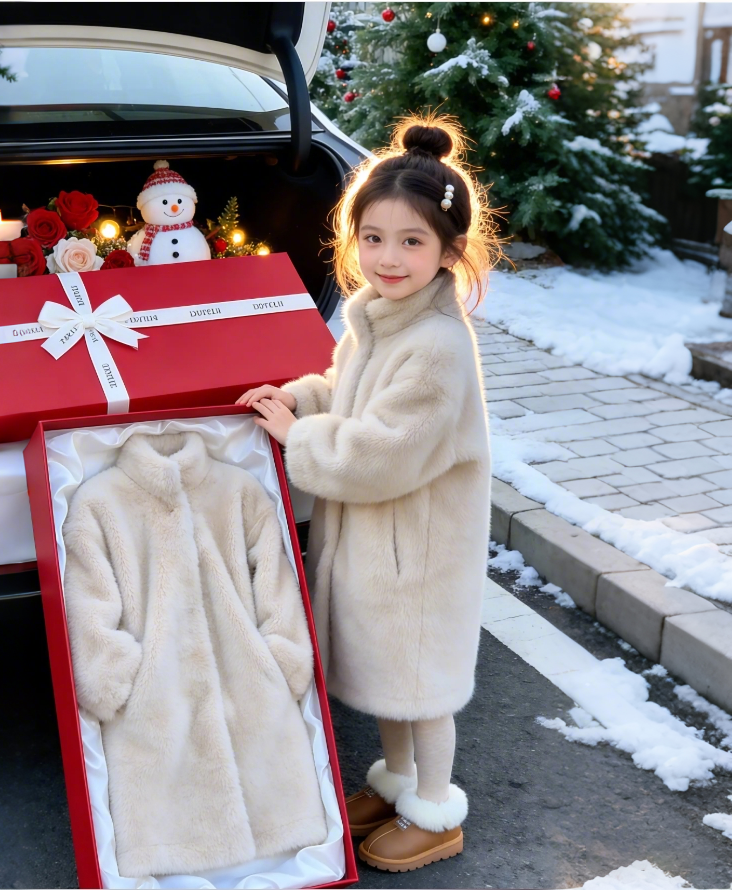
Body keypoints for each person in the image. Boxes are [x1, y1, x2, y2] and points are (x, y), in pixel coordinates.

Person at [237, 115, 497, 873]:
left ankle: (435, 807)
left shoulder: (437, 347)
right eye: (373, 238)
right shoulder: (379, 322)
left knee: (422, 685)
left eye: (411, 242)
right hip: (382, 541)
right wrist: (299, 398)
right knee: (388, 675)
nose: (387, 258)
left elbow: (384, 453)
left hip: (418, 549)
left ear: (449, 251)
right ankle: (396, 783)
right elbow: (345, 391)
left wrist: (299, 437)